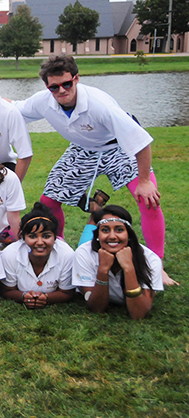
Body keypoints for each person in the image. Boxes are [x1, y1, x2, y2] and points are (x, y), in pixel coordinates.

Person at [10, 55, 170, 284]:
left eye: (67, 84)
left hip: (118, 146)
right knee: (48, 202)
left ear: (76, 78)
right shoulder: (43, 100)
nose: (61, 91)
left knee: (149, 200)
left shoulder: (99, 105)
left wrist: (144, 181)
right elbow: (14, 109)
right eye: (54, 87)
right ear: (47, 86)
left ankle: (158, 265)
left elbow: (140, 141)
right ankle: (61, 250)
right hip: (83, 149)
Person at [71, 205, 164, 320]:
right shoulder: (83, 254)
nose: (112, 236)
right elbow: (97, 308)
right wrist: (103, 269)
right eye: (105, 230)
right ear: (97, 235)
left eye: (119, 229)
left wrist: (128, 268)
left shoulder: (151, 259)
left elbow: (139, 314)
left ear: (129, 234)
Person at [0, 203, 75, 308]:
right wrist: (23, 296)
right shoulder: (9, 255)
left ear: (55, 238)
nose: (40, 242)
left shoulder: (67, 255)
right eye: (32, 236)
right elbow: (7, 290)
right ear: (23, 238)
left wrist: (47, 298)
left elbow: (67, 292)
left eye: (46, 236)